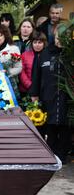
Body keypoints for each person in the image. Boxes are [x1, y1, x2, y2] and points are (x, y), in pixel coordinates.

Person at [30, 24, 71, 164]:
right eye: (58, 36)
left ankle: (63, 155)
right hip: (48, 95)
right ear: (54, 36)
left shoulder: (70, 53)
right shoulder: (44, 53)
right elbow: (36, 76)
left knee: (66, 126)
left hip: (67, 97)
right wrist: (34, 94)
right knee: (50, 125)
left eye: (63, 37)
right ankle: (51, 155)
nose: (60, 40)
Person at [19, 31, 46, 96]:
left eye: (40, 42)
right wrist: (29, 85)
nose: (37, 45)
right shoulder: (24, 55)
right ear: (31, 43)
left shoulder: (47, 56)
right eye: (35, 42)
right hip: (27, 89)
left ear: (44, 43)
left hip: (43, 90)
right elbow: (21, 71)